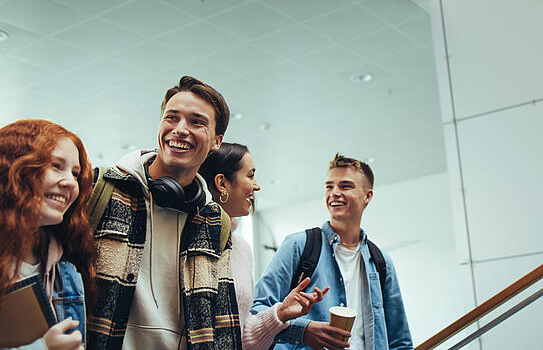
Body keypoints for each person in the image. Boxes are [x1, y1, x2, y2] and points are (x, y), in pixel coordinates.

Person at [87, 76, 240, 350]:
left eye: (196, 121)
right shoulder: (99, 190)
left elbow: (223, 324)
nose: (180, 129)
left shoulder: (217, 223)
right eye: (172, 117)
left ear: (217, 141)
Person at [252, 154, 413, 350]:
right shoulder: (298, 245)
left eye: (345, 186)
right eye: (329, 186)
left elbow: (399, 340)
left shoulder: (380, 261)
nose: (334, 193)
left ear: (367, 196)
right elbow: (257, 312)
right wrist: (304, 330)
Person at [199, 142, 330, 350]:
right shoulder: (188, 241)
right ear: (222, 183)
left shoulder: (241, 249)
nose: (257, 186)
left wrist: (280, 313)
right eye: (250, 176)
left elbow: (241, 338)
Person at [0, 119, 97, 350]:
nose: (71, 183)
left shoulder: (67, 273)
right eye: (56, 166)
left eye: (75, 173)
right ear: (15, 168)